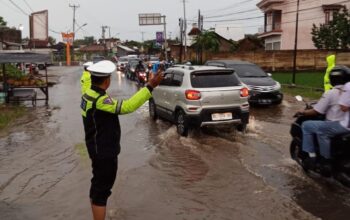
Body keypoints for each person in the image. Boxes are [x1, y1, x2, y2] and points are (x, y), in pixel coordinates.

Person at [81, 60, 164, 220]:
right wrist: (150, 86)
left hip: (95, 149)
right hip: (104, 152)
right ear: (107, 80)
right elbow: (127, 106)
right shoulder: (100, 100)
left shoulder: (87, 94)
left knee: (97, 187)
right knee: (101, 191)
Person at [301, 66, 350, 166]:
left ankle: (314, 157)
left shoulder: (331, 93)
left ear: (332, 79)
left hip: (339, 124)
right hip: (346, 124)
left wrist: (302, 112)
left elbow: (317, 111)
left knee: (307, 125)